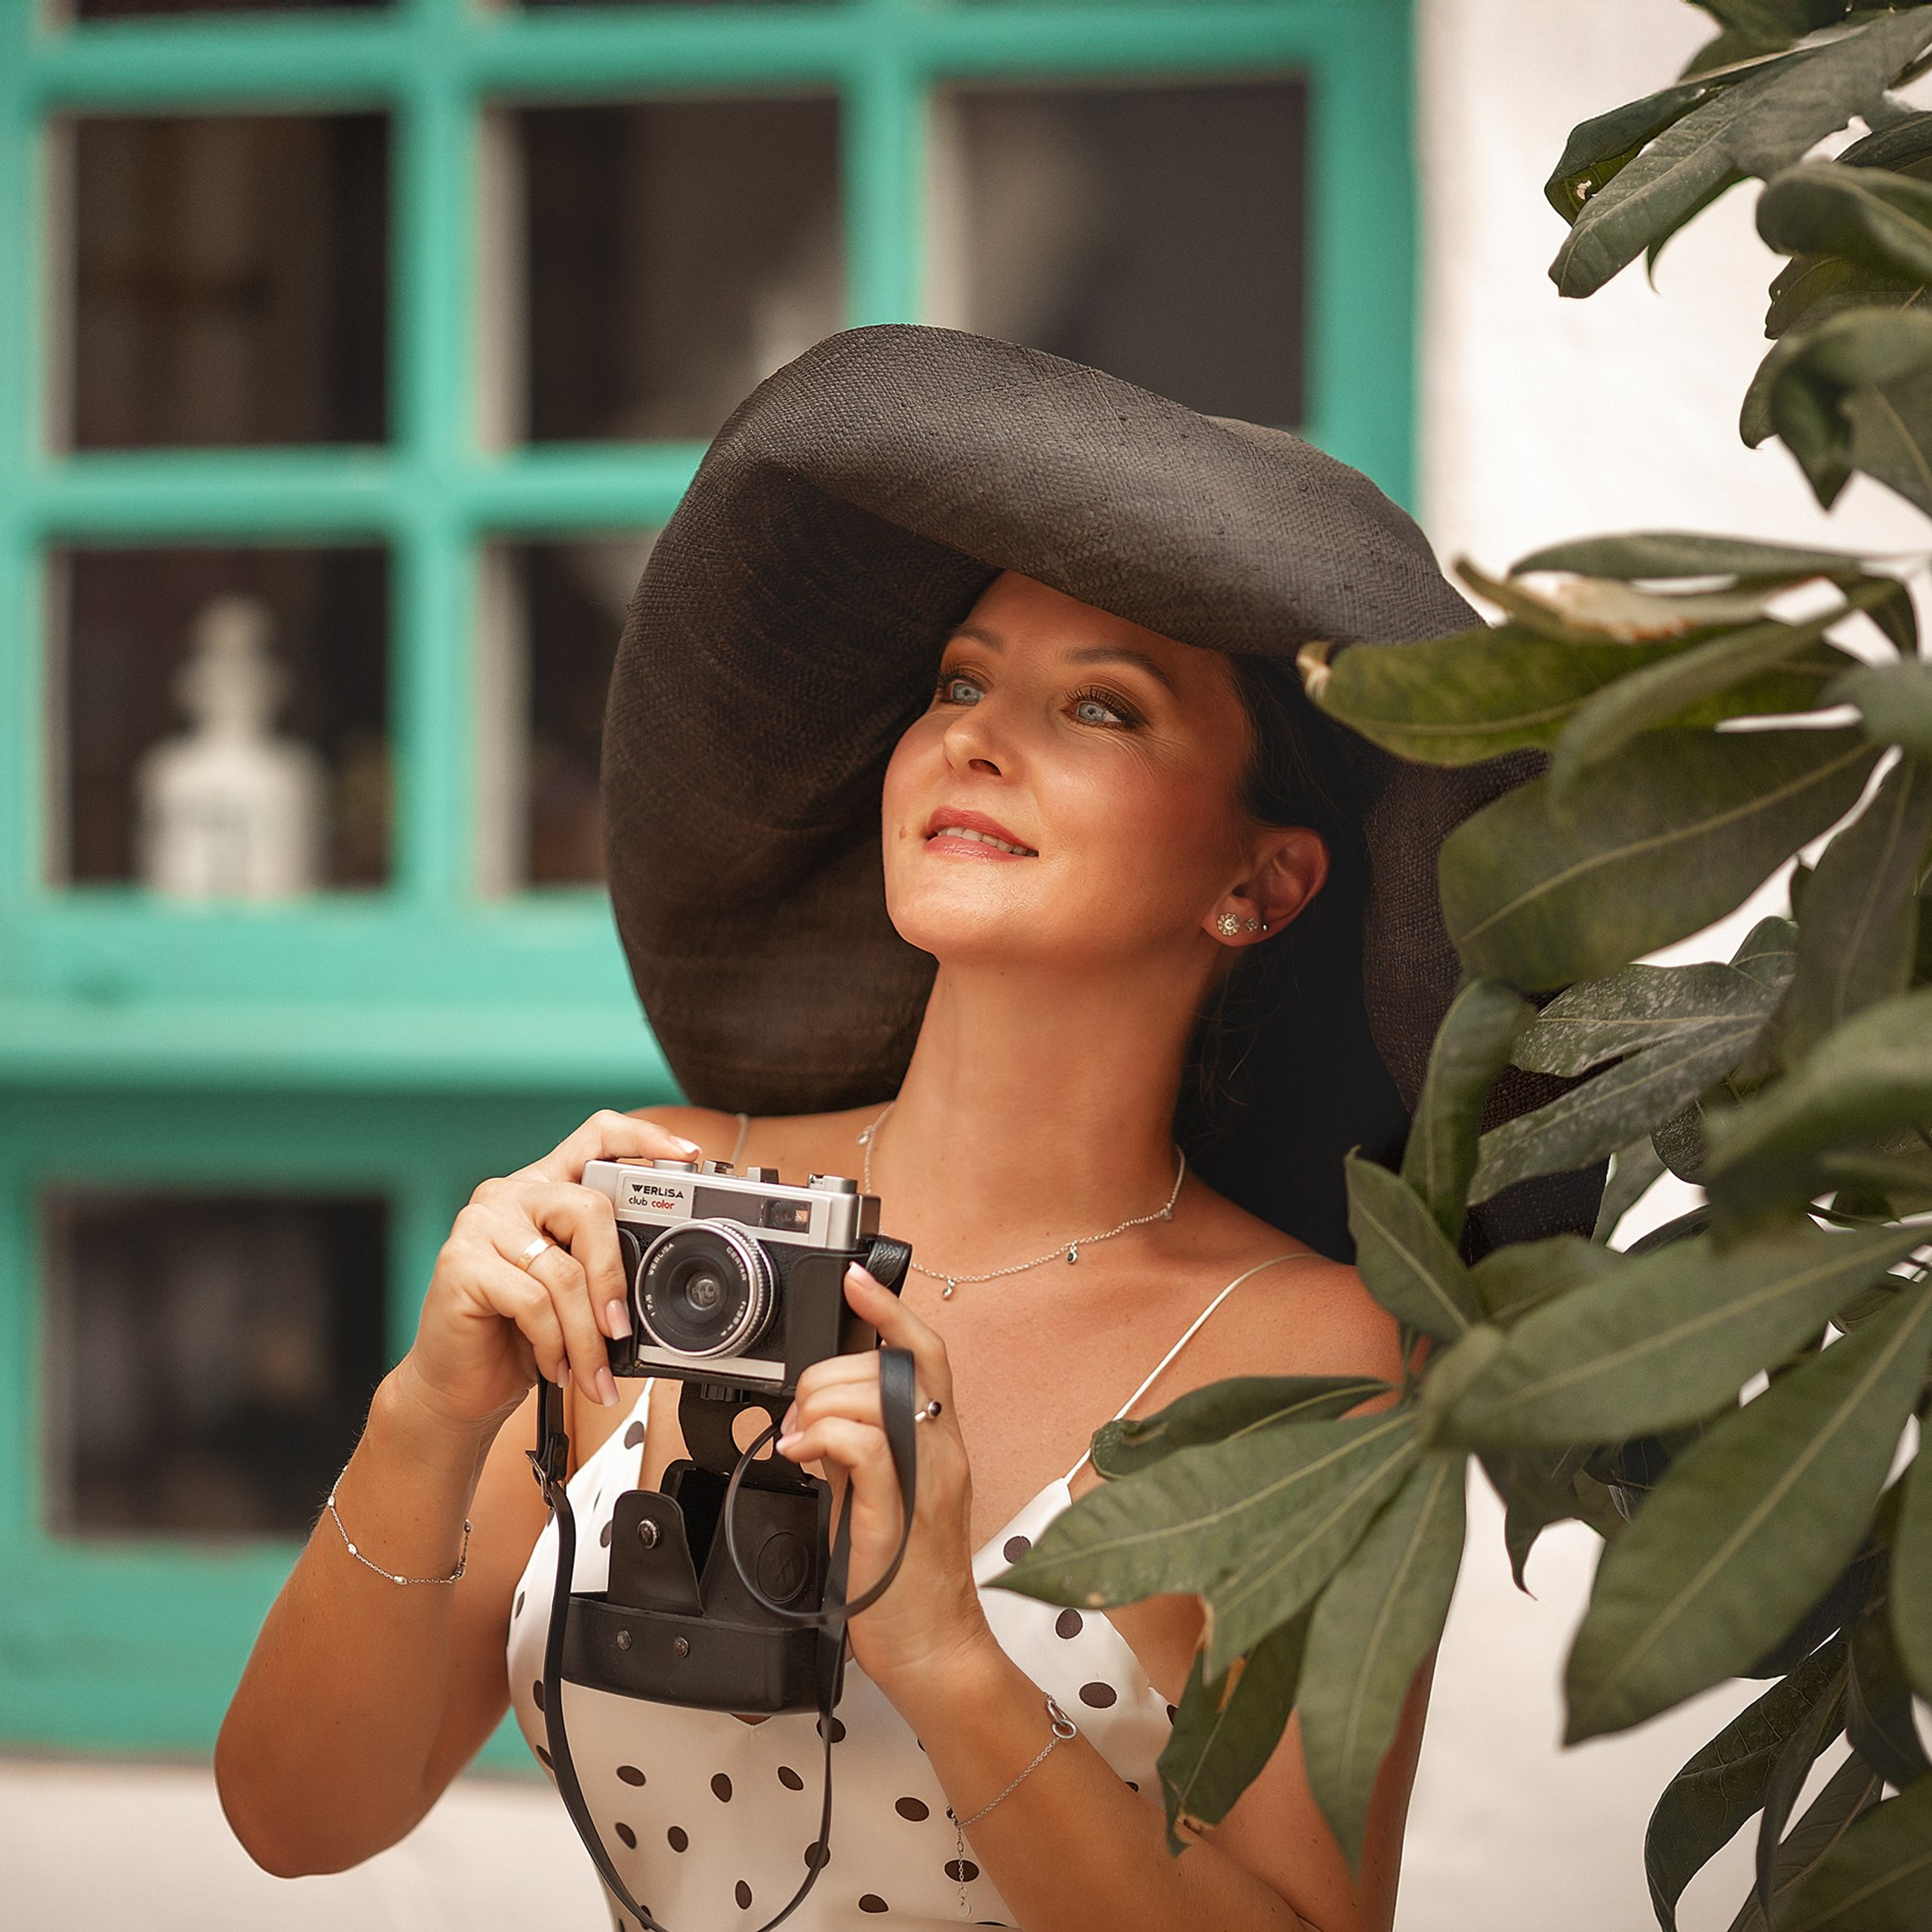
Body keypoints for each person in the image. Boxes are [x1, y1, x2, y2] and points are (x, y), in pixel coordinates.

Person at [217, 328, 1584, 1931]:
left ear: (1262, 881)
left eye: (1101, 706)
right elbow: (299, 1820)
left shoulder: (1321, 1358)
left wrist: (944, 1651)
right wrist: (424, 1415)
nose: (973, 737)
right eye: (960, 680)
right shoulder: (668, 1214)